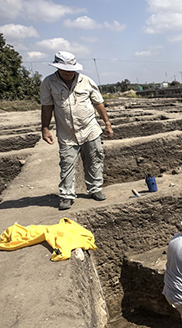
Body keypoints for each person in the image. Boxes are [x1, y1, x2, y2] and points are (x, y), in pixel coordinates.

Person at [40, 51, 114, 211]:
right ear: (57, 68)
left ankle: (95, 189)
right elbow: (46, 106)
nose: (68, 73)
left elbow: (98, 103)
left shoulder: (85, 81)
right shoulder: (48, 83)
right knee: (67, 163)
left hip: (90, 129)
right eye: (64, 70)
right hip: (67, 132)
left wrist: (107, 123)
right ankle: (67, 195)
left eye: (70, 70)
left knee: (95, 159)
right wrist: (45, 128)